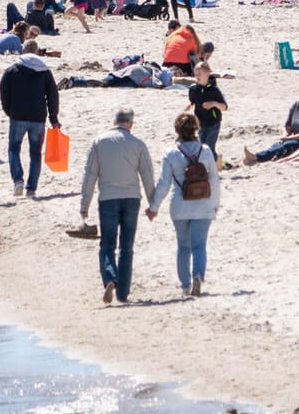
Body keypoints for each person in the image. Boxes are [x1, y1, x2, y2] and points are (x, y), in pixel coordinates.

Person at [79, 107, 152, 305]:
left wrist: (84, 204)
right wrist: (152, 204)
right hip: (131, 199)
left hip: (108, 199)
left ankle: (110, 279)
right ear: (130, 123)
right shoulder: (138, 144)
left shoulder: (99, 142)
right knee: (127, 247)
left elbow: (90, 174)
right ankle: (123, 294)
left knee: (107, 244)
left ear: (114, 122)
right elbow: (147, 175)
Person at [146, 113, 220, 297]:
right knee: (199, 245)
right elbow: (214, 180)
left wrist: (153, 207)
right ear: (196, 128)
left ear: (177, 130)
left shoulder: (171, 153)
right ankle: (198, 276)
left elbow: (164, 183)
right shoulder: (206, 151)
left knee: (183, 246)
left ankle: (185, 285)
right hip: (203, 204)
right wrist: (215, 203)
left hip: (179, 205)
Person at [0, 50, 60, 199]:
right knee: (35, 153)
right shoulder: (44, 71)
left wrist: (9, 111)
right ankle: (31, 189)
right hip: (38, 117)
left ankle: (18, 180)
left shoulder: (12, 70)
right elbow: (53, 95)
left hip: (17, 116)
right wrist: (53, 118)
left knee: (13, 149)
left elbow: (4, 93)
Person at [243, 80, 299, 166]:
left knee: (288, 145)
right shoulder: (296, 105)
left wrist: (291, 138)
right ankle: (258, 157)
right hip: (293, 136)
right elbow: (287, 126)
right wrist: (285, 135)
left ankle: (256, 157)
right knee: (277, 144)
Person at [184, 61, 228, 153]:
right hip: (200, 122)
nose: (197, 76)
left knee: (208, 147)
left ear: (208, 74)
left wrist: (214, 104)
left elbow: (224, 107)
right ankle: (214, 163)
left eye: (199, 74)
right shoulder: (193, 89)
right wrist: (189, 105)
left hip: (213, 122)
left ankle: (214, 164)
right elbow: (193, 101)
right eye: (195, 74)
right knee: (201, 147)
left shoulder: (214, 90)